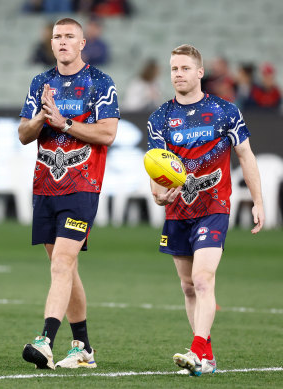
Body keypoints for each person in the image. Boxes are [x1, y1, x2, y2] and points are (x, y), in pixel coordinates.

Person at [147, 44, 264, 376]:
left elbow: (246, 156)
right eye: (174, 69)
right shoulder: (159, 117)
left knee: (202, 278)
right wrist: (157, 195)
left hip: (215, 207)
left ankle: (196, 349)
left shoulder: (225, 111)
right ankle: (207, 356)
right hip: (178, 211)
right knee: (187, 286)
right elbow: (155, 168)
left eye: (185, 68)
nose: (178, 74)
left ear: (200, 73)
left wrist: (258, 201)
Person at [18, 18, 119, 369]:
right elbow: (23, 134)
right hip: (45, 186)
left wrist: (63, 122)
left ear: (82, 43)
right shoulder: (40, 82)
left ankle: (45, 340)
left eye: (69, 37)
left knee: (62, 262)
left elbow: (107, 134)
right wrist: (41, 119)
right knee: (65, 267)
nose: (62, 42)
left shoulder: (100, 82)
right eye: (57, 36)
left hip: (81, 186)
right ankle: (83, 348)